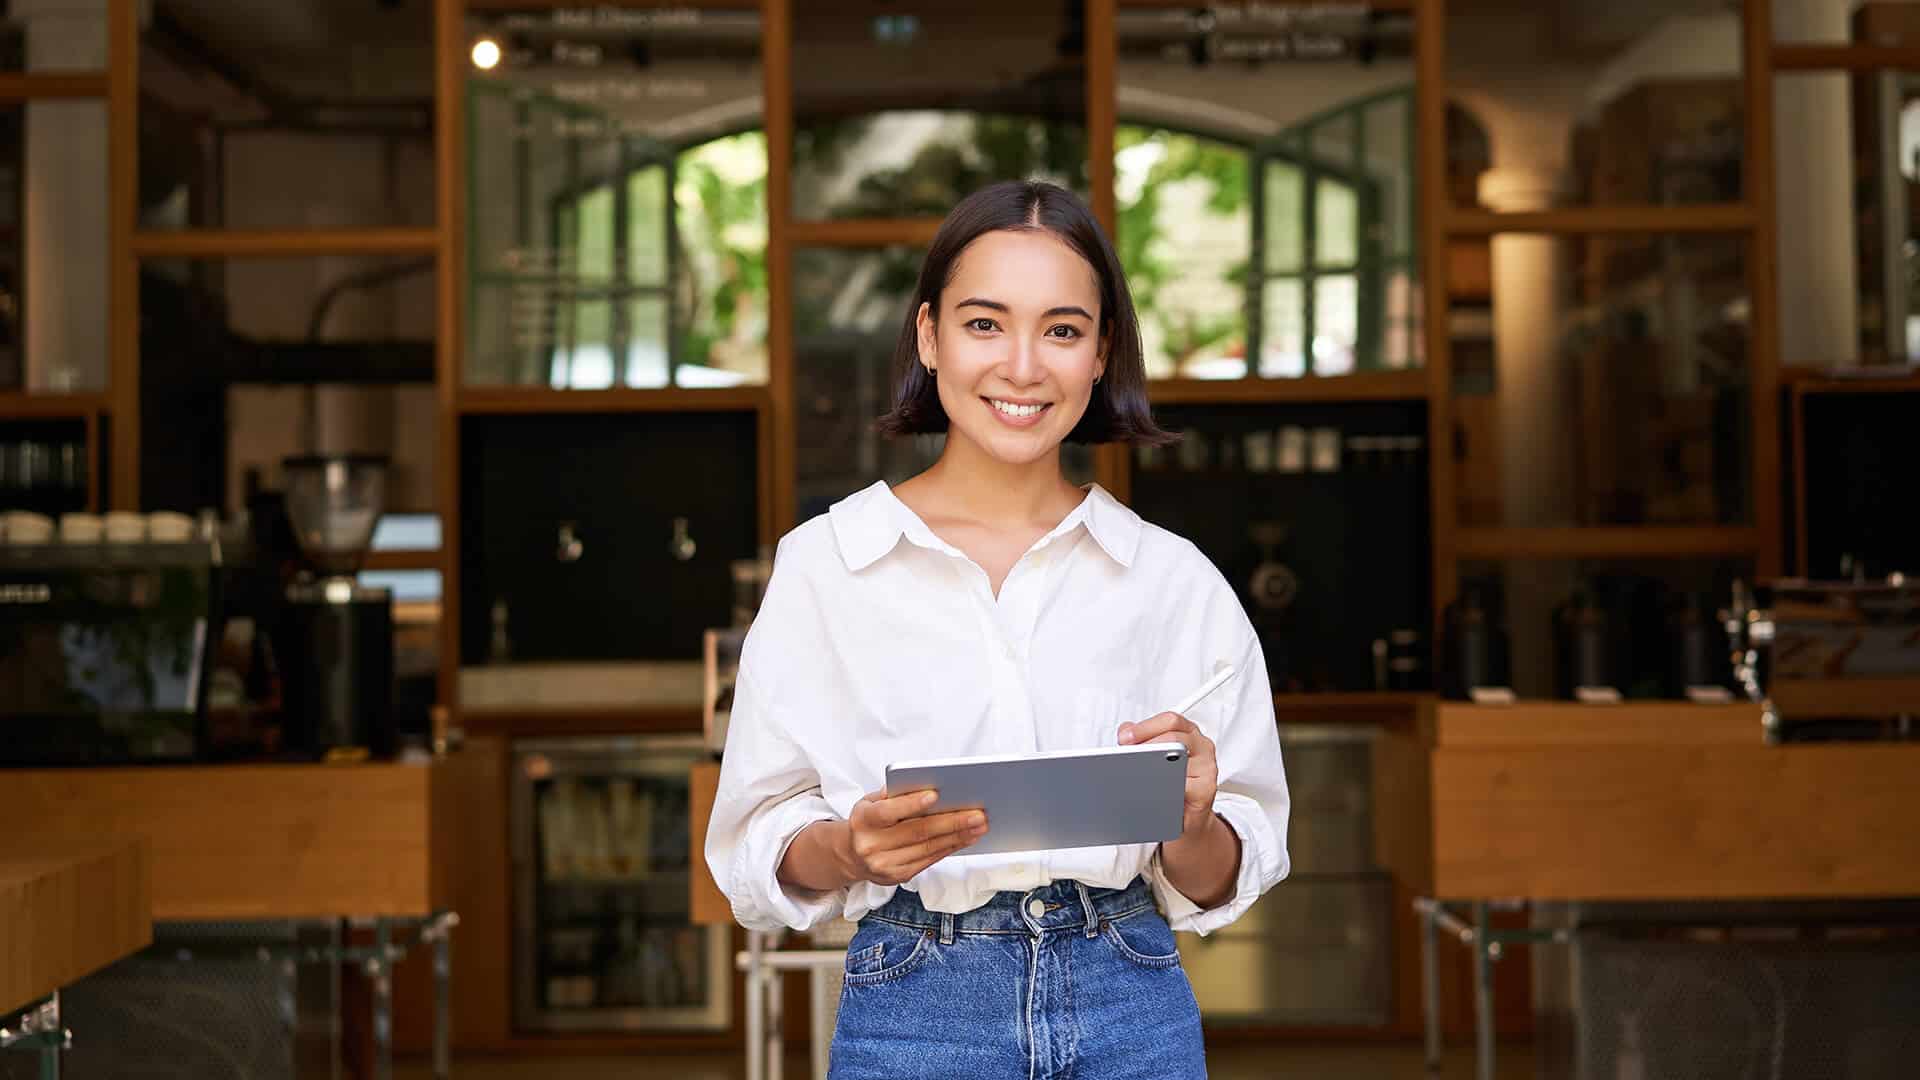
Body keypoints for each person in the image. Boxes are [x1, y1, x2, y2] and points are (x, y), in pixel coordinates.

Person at [705, 179, 1290, 1080]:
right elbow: (755, 847)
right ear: (930, 337)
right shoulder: (828, 566)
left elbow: (1219, 878)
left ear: (1100, 356)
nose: (1023, 366)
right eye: (985, 324)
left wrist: (1193, 819)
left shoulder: (1172, 581)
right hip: (913, 1003)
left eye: (1062, 329)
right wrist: (849, 847)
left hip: (1131, 998)